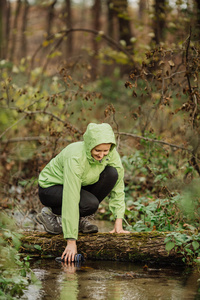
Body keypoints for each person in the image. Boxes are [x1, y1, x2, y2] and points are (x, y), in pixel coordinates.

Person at [36, 122, 130, 262]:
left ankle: (76, 219)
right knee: (89, 204)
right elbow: (71, 196)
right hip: (51, 188)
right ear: (89, 145)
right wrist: (71, 241)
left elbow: (118, 187)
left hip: (80, 184)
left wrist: (118, 222)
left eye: (105, 151)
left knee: (112, 173)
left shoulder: (110, 154)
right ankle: (49, 213)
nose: (102, 155)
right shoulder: (76, 157)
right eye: (97, 151)